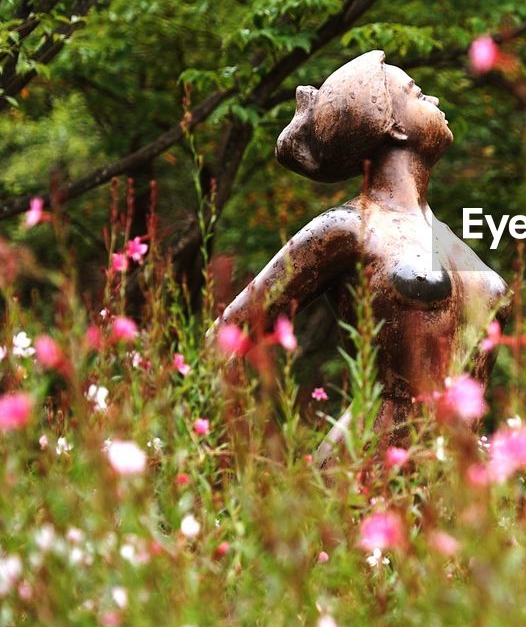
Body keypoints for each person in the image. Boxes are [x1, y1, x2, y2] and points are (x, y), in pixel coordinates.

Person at [215, 50, 507, 463]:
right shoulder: (349, 228)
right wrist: (246, 474)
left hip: (453, 482)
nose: (436, 101)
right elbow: (227, 337)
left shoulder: (448, 241)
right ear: (392, 126)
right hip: (364, 476)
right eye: (418, 94)